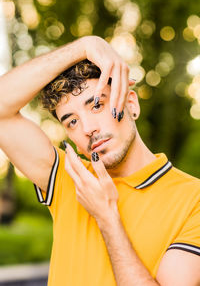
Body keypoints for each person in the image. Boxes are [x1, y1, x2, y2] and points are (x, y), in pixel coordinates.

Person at [0, 36, 199, 286]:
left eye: (96, 105)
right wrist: (85, 45)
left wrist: (107, 218)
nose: (87, 129)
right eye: (72, 121)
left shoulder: (194, 200)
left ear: (131, 104)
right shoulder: (72, 179)